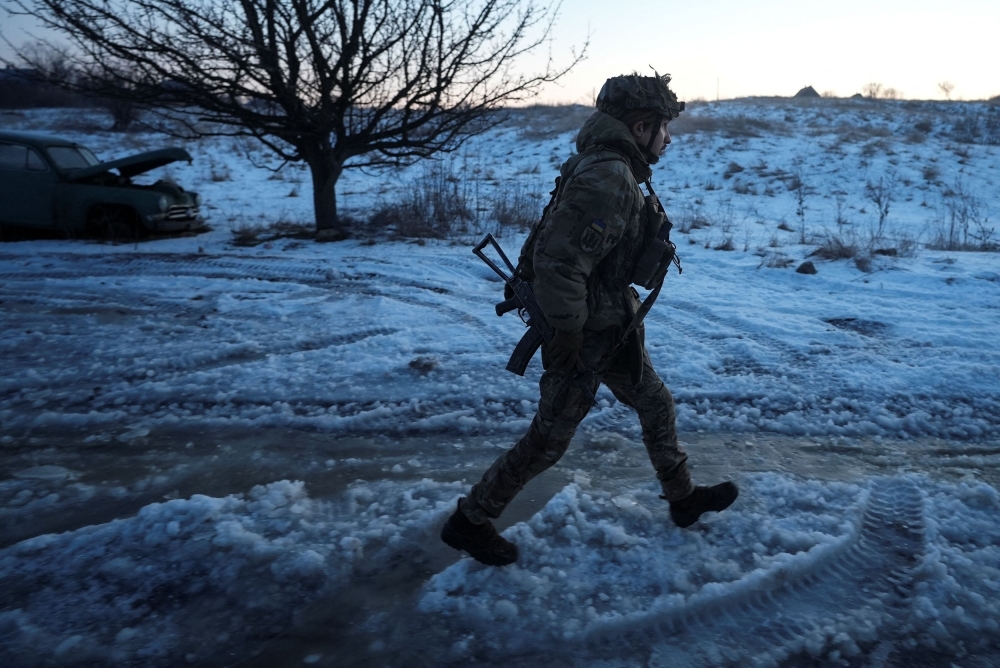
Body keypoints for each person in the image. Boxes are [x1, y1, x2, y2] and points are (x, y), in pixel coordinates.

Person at [441, 73, 738, 567]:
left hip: (608, 325)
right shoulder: (609, 177)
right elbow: (560, 263)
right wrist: (568, 333)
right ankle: (469, 521)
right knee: (549, 440)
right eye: (664, 127)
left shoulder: (615, 168)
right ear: (641, 126)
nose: (669, 138)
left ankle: (682, 499)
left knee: (655, 403)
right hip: (582, 332)